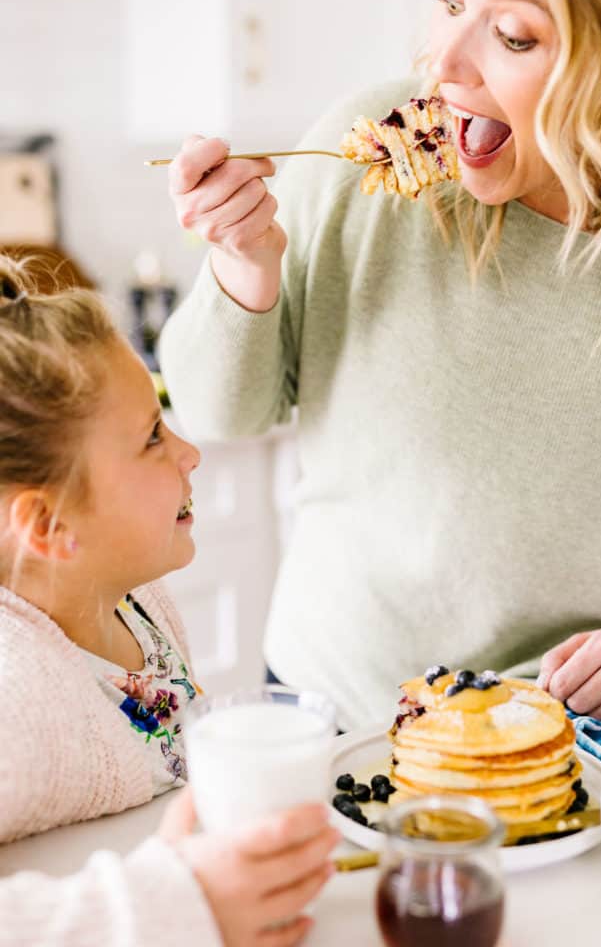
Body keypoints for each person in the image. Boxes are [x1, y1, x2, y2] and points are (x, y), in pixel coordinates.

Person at [159, 0, 601, 734]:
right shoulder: (359, 156)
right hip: (331, 709)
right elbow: (220, 416)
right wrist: (244, 264)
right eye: (448, 2)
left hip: (571, 734)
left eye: (512, 35)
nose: (443, 63)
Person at [0, 260, 338, 946]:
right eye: (153, 436)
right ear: (50, 527)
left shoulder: (134, 599)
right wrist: (176, 903)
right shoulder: (14, 694)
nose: (190, 454)